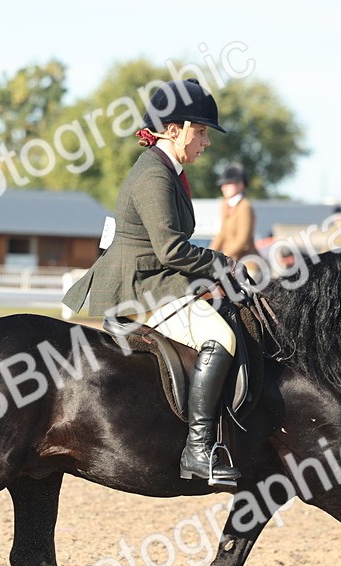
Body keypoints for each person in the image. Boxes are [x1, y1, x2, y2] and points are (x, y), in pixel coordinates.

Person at [63, 78, 241, 485]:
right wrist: (223, 264)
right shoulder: (154, 176)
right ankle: (198, 450)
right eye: (200, 132)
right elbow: (172, 251)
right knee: (221, 337)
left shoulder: (168, 170)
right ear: (173, 129)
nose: (205, 142)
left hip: (154, 277)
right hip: (140, 287)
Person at [209, 163, 257, 264]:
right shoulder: (225, 205)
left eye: (229, 183)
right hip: (229, 260)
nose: (224, 187)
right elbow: (221, 235)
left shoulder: (245, 207)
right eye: (223, 184)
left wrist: (222, 257)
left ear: (241, 184)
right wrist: (209, 255)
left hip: (246, 262)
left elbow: (243, 240)